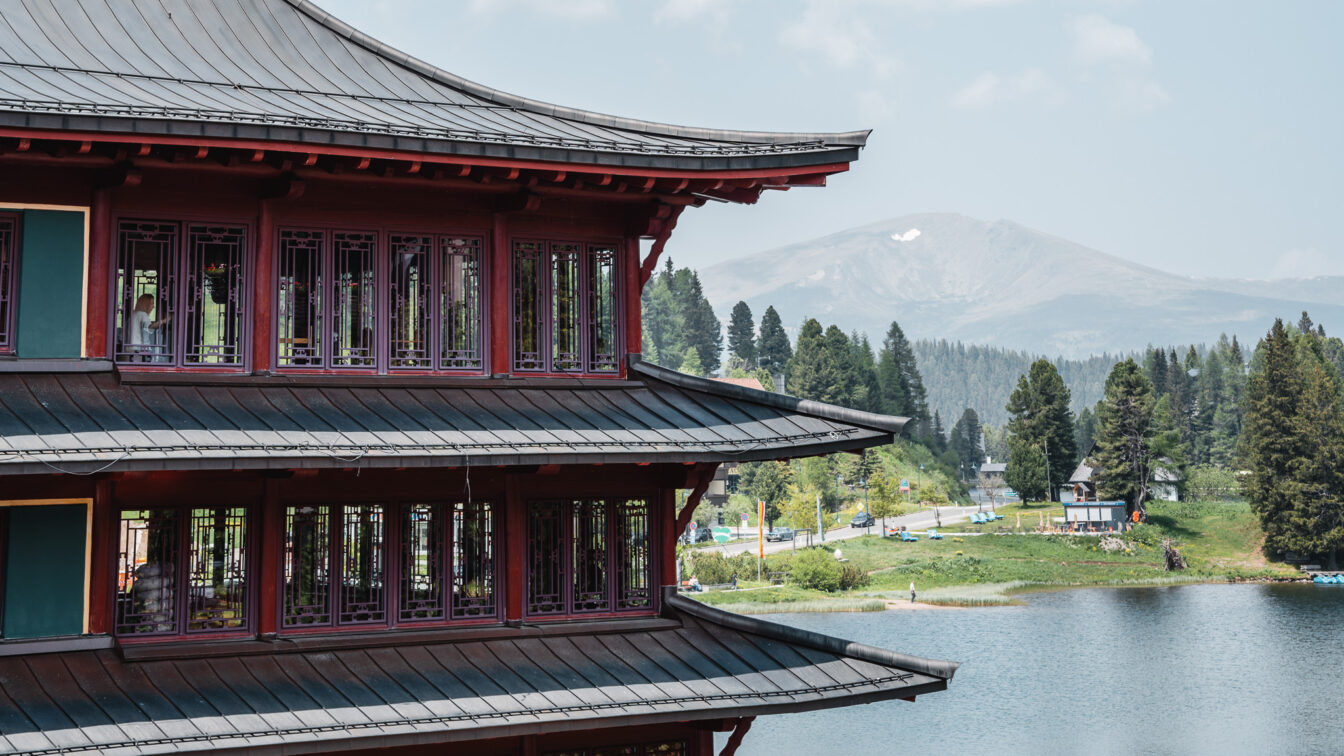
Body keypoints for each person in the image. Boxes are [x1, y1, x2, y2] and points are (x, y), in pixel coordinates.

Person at [126, 293, 169, 360]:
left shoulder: (133, 314)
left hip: (129, 348)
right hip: (139, 349)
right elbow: (149, 327)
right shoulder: (143, 314)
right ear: (145, 304)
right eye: (152, 303)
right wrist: (163, 321)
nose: (153, 306)